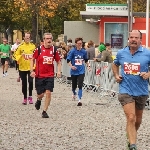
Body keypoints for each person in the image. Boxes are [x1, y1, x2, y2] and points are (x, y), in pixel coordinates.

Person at [112, 30, 150, 150]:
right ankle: (133, 145)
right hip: (125, 89)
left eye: (136, 37)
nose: (133, 39)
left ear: (140, 40)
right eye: (131, 37)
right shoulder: (121, 53)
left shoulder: (147, 53)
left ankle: (130, 134)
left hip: (141, 90)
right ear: (128, 39)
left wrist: (148, 74)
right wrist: (116, 75)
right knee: (131, 117)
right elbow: (115, 64)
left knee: (137, 120)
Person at [30, 33, 61, 118]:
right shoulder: (38, 49)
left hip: (50, 75)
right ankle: (39, 100)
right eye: (47, 38)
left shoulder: (54, 50)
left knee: (48, 92)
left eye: (50, 38)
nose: (49, 40)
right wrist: (32, 70)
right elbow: (32, 59)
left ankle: (44, 111)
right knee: (40, 94)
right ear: (43, 40)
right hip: (39, 75)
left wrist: (59, 71)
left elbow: (58, 62)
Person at [13, 32, 36, 105]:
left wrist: (35, 66)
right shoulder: (20, 46)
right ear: (24, 37)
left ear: (30, 38)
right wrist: (20, 56)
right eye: (26, 37)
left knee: (31, 82)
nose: (27, 38)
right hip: (22, 68)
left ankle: (30, 96)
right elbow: (14, 56)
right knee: (24, 83)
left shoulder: (33, 46)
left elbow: (36, 56)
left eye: (28, 37)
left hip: (31, 68)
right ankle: (25, 98)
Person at [67, 37, 89, 106]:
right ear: (76, 44)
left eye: (81, 43)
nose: (80, 45)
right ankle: (74, 93)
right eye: (79, 43)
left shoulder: (84, 51)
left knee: (80, 85)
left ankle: (79, 100)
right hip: (74, 71)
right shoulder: (73, 51)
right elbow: (68, 60)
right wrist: (71, 66)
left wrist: (88, 66)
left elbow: (86, 60)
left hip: (81, 71)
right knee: (74, 86)